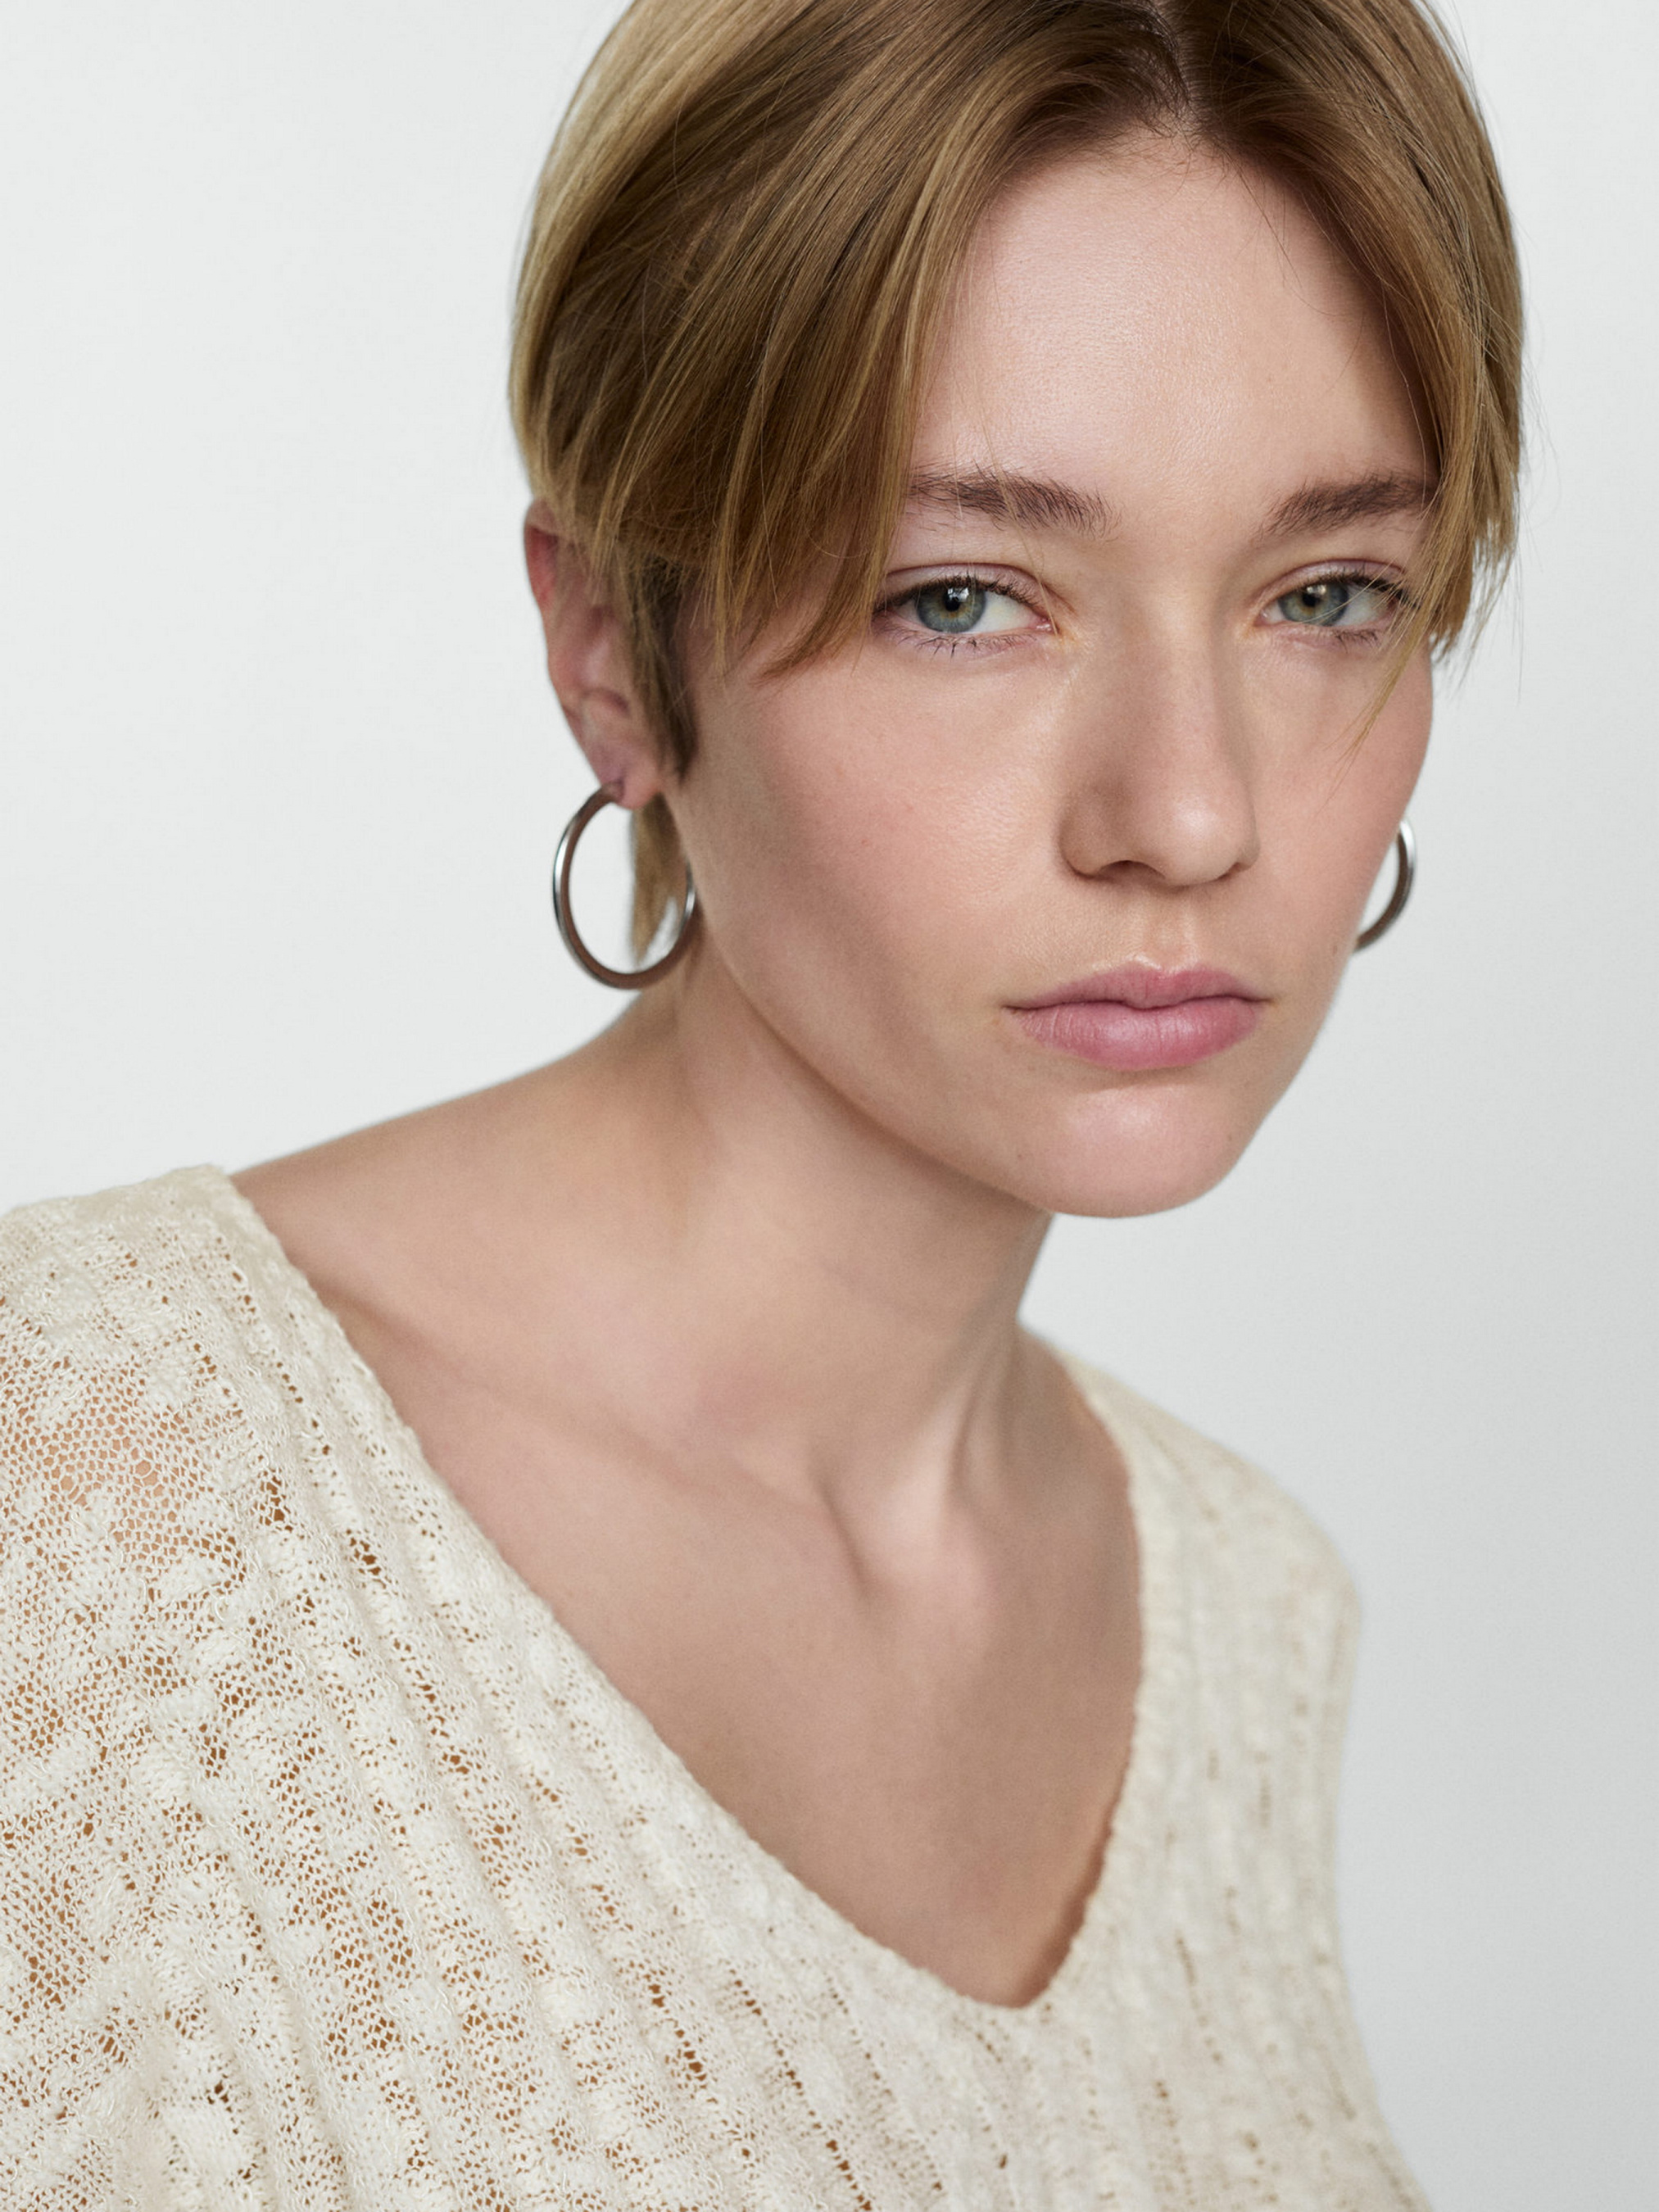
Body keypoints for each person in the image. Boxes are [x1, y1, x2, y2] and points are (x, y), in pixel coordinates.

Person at [0, 0, 1521, 2202]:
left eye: (1326, 596)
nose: (1190, 811)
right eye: (964, 597)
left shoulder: (1247, 1614)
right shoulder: (80, 1492)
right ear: (614, 649)